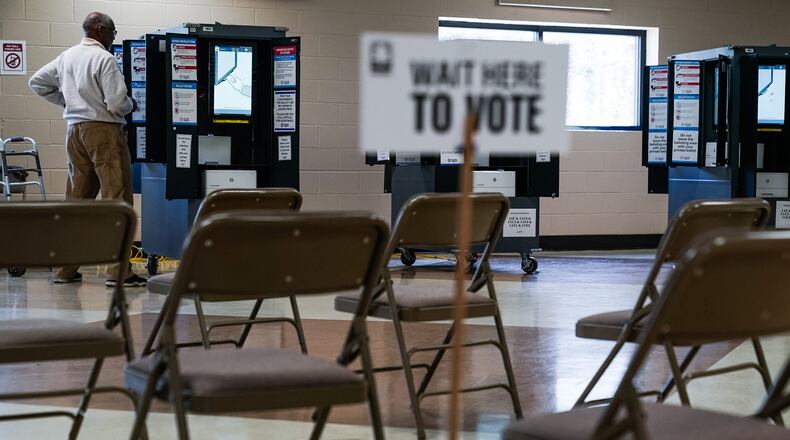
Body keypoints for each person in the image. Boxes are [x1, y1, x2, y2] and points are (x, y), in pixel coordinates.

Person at [29, 12, 146, 287]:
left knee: (77, 202)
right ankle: (119, 272)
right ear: (100, 29)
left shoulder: (66, 56)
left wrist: (68, 102)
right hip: (104, 131)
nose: (112, 38)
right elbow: (117, 102)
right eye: (112, 33)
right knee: (116, 200)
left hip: (74, 133)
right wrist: (133, 105)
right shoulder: (104, 59)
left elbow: (36, 82)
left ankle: (65, 269)